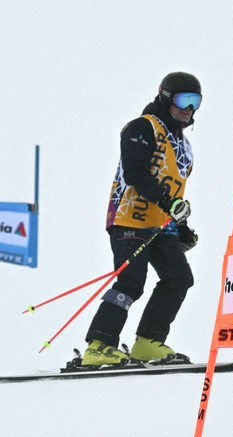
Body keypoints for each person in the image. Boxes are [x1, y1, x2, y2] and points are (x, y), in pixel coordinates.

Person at [81, 71, 202, 367]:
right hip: (129, 220)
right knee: (131, 282)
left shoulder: (183, 145)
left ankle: (148, 342)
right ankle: (99, 345)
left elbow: (172, 188)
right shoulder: (141, 127)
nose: (189, 108)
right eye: (184, 99)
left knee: (179, 278)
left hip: (160, 226)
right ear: (165, 96)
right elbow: (136, 174)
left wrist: (180, 225)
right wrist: (169, 203)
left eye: (196, 101)